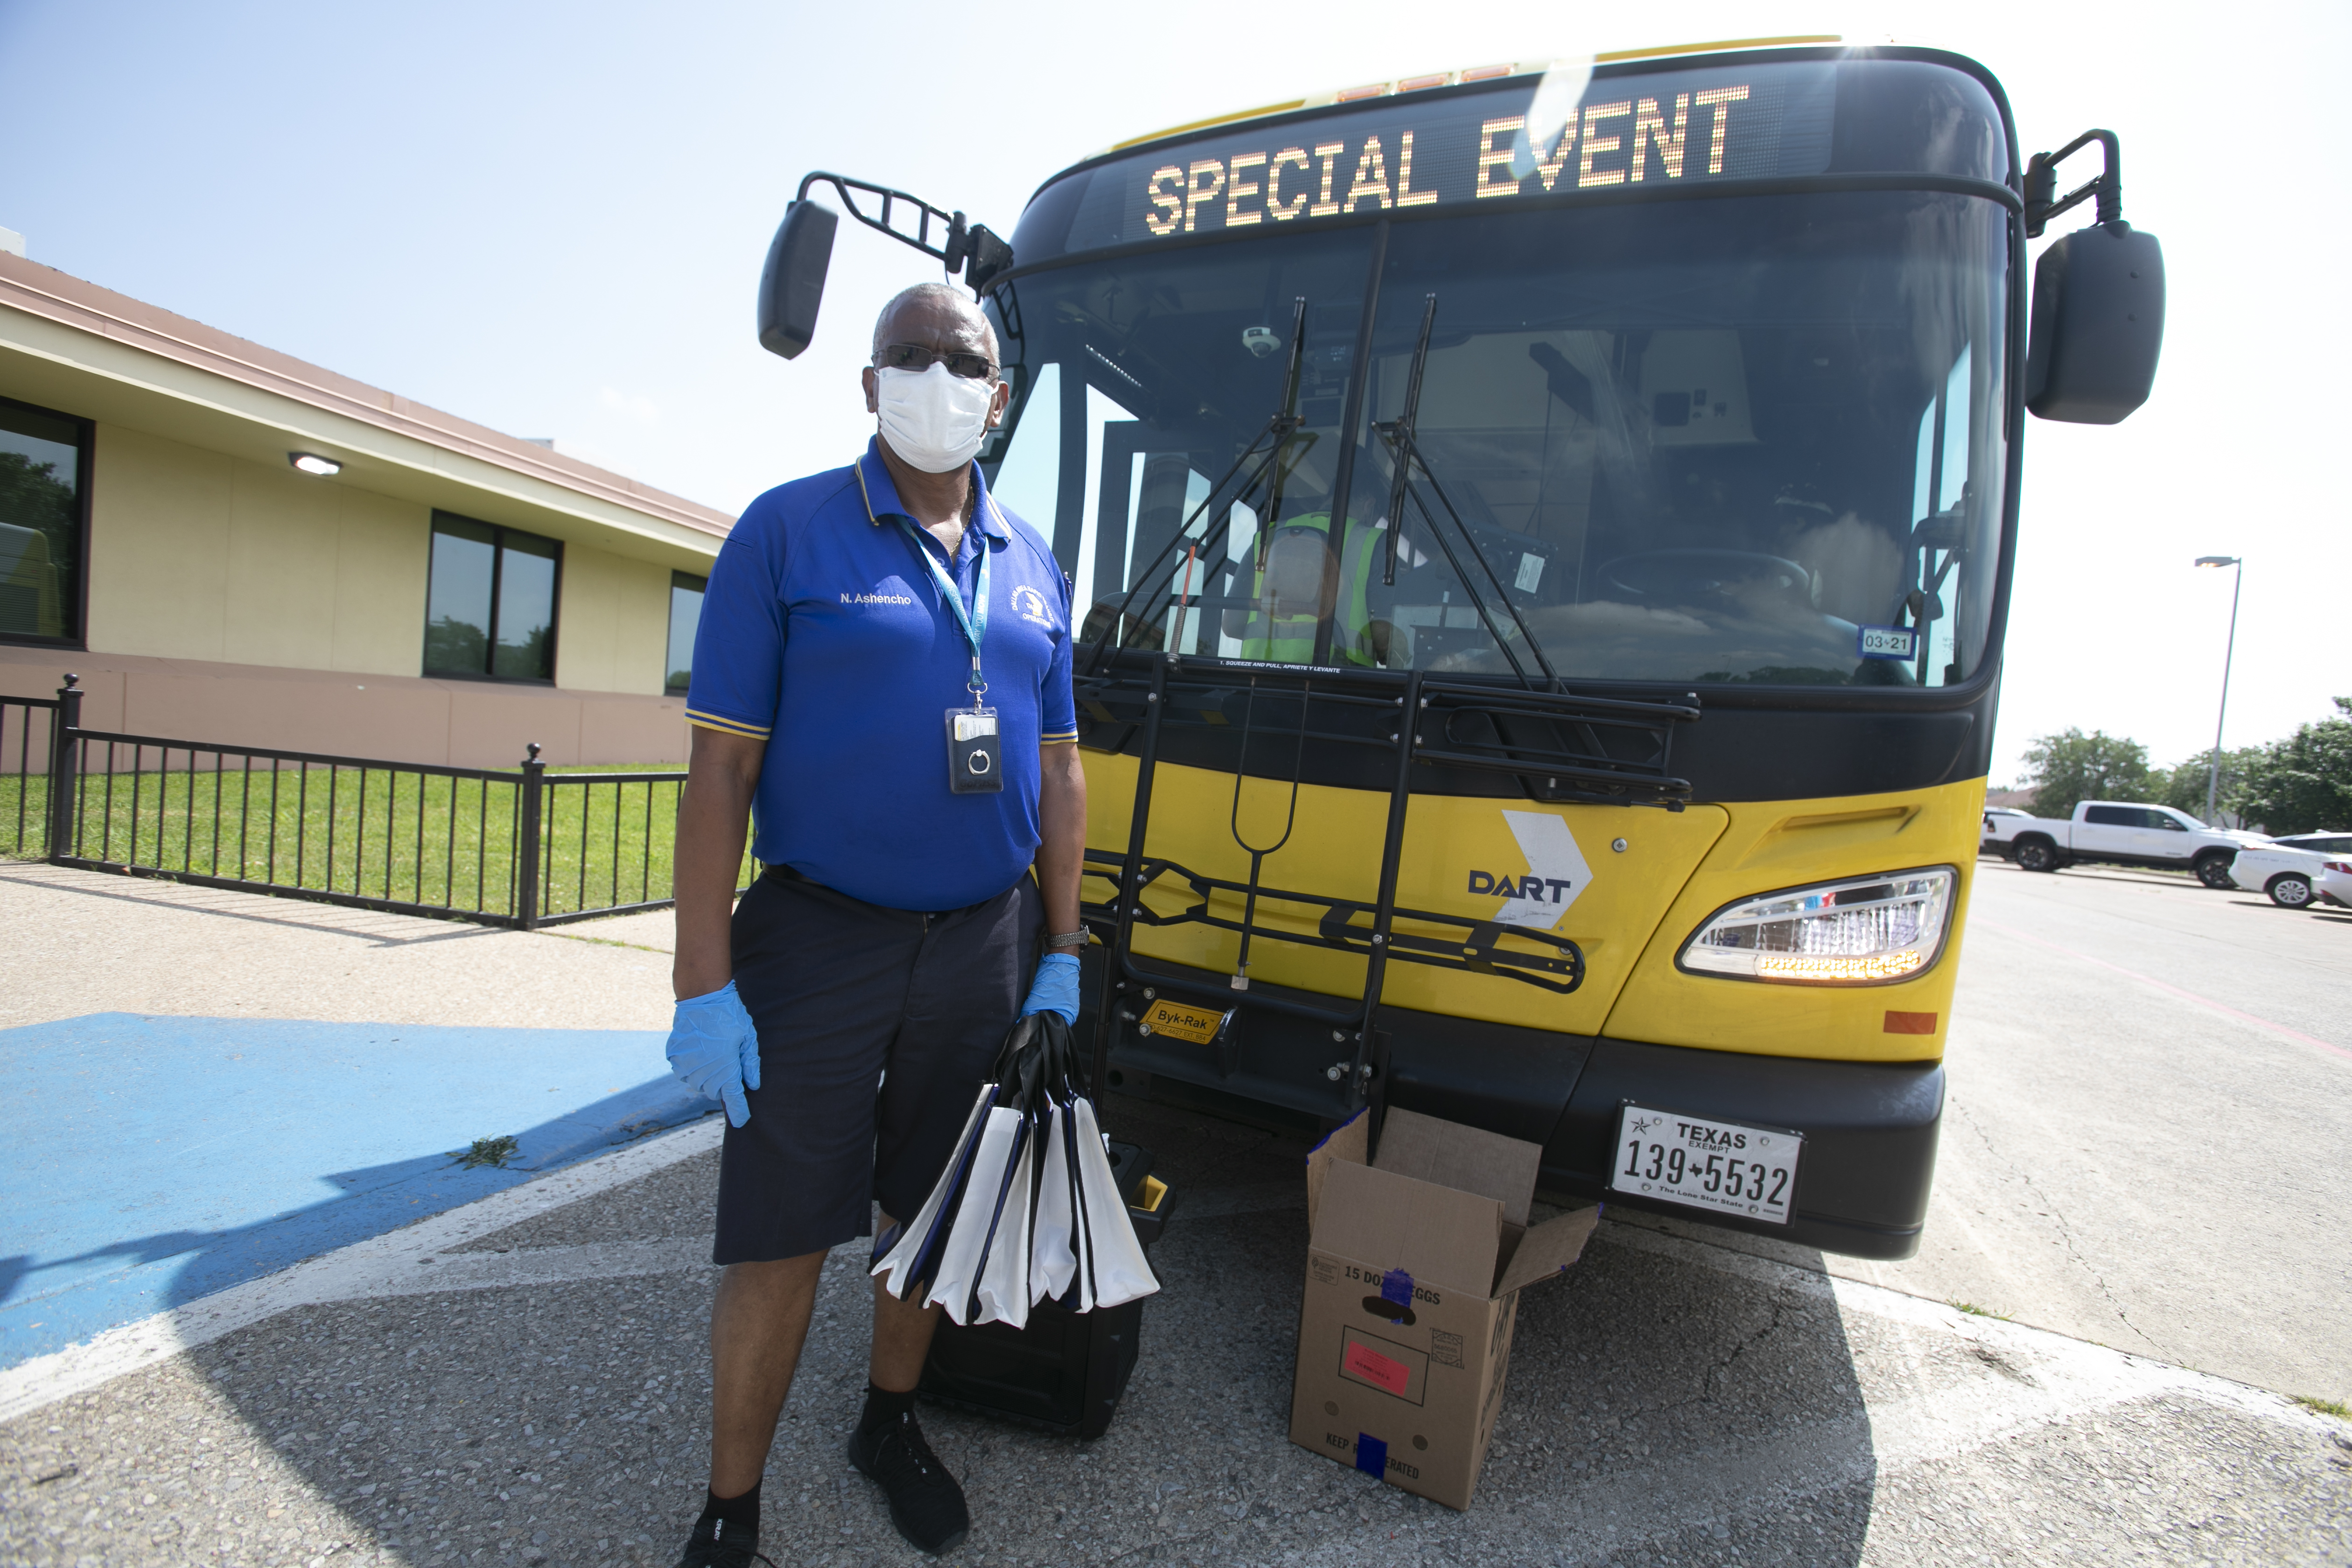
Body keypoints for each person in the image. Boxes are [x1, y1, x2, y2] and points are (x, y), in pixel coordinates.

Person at [660, 280, 1088, 1565]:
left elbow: (1061, 772)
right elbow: (720, 773)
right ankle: (732, 1511)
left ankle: (887, 1422)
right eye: (908, 355)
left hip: (984, 941)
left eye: (963, 360)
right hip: (816, 937)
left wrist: (1060, 955)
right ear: (867, 385)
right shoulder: (787, 534)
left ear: (998, 398)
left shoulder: (1033, 562)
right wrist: (702, 980)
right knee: (786, 1234)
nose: (936, 376)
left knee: (933, 1211)